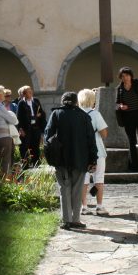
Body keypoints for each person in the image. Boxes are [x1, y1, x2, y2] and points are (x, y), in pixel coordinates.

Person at [44, 91, 97, 230]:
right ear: (76, 102)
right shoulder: (84, 116)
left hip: (60, 158)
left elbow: (47, 136)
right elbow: (91, 140)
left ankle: (66, 220)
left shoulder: (56, 114)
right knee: (77, 190)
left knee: (64, 189)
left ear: (63, 101)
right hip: (80, 159)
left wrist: (50, 154)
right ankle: (75, 220)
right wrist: (93, 159)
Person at [78, 88, 109, 216]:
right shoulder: (95, 114)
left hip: (80, 151)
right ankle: (99, 206)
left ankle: (84, 207)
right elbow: (104, 134)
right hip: (97, 151)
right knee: (99, 178)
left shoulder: (76, 114)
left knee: (83, 180)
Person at [16, 85, 47, 165]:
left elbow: (42, 112)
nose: (31, 93)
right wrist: (20, 129)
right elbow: (18, 117)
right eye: (28, 92)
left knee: (35, 147)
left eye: (31, 91)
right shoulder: (21, 103)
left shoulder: (36, 101)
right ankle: (25, 165)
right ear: (24, 94)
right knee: (25, 147)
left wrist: (40, 115)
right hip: (26, 129)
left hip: (36, 128)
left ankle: (36, 164)